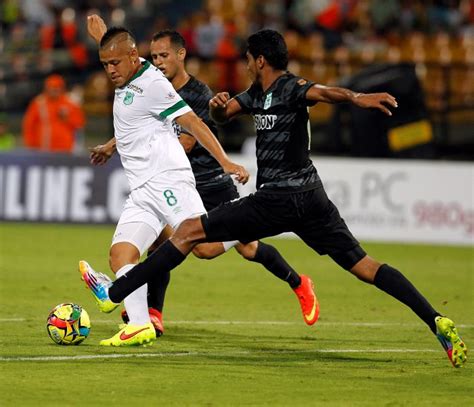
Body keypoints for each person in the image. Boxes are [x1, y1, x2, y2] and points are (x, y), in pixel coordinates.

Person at [80, 29, 467, 368]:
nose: (246, 66)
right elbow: (226, 113)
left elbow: (324, 92)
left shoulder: (293, 87)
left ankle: (114, 293)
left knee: (188, 234)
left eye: (248, 60)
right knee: (364, 265)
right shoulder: (256, 95)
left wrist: (355, 97)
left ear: (260, 60)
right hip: (312, 199)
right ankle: (435, 320)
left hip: (277, 199)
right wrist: (218, 109)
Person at [85, 16, 319, 339]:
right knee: (147, 249)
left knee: (224, 248)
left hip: (203, 179)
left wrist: (225, 162)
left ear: (181, 56)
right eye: (154, 57)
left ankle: (289, 268)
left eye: (164, 56)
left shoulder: (184, 91)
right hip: (154, 184)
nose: (158, 62)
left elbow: (190, 132)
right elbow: (140, 122)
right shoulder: (134, 72)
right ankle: (146, 318)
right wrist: (114, 145)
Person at [79, 24, 249, 347]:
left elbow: (193, 122)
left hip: (168, 179)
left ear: (132, 57)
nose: (110, 71)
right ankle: (140, 324)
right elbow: (117, 49)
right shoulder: (129, 64)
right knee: (121, 255)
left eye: (115, 63)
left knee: (204, 248)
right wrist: (101, 34)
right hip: (142, 190)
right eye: (104, 64)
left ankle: (252, 217)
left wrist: (226, 163)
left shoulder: (154, 85)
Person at [22, 74, 85, 152]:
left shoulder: (70, 103)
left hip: (65, 148)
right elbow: (29, 125)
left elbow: (79, 124)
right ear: (46, 88)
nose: (54, 90)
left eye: (57, 88)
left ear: (62, 88)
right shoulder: (39, 103)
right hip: (43, 148)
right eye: (51, 88)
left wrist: (67, 118)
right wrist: (30, 145)